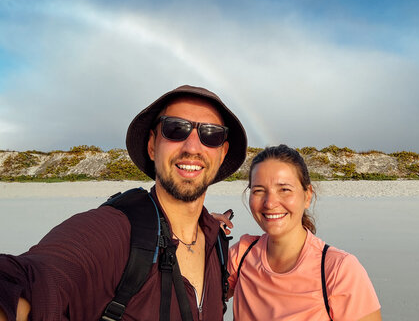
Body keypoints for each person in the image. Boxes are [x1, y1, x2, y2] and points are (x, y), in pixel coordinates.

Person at [0, 85, 247, 321]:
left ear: (222, 152)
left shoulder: (217, 245)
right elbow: (36, 278)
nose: (192, 147)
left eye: (211, 135)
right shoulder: (117, 230)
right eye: (175, 129)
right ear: (152, 146)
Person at [226, 145, 381, 321]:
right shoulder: (242, 255)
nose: (270, 203)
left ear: (307, 196)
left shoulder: (338, 269)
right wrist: (203, 230)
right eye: (259, 191)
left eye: (284, 190)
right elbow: (196, 299)